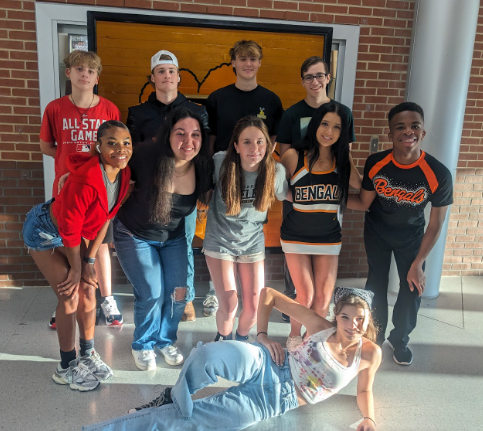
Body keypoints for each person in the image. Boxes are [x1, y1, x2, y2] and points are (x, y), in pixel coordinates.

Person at [82, 286, 381, 431]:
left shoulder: (370, 353)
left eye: (359, 320)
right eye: (345, 317)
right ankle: (174, 394)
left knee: (189, 423)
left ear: (367, 321)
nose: (351, 325)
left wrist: (368, 418)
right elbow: (268, 295)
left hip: (274, 402)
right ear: (337, 317)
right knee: (208, 354)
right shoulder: (321, 327)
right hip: (269, 363)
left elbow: (365, 390)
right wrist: (262, 335)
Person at [23, 120, 132, 391]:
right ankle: (66, 366)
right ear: (99, 145)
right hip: (45, 231)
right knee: (69, 294)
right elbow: (69, 229)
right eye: (112, 143)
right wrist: (76, 267)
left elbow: (106, 218)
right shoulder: (85, 178)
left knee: (88, 289)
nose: (121, 149)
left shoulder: (123, 173)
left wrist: (90, 262)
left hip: (71, 233)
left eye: (126, 142)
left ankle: (88, 353)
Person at [348, 102, 453, 366]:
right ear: (390, 133)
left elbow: (436, 224)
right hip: (377, 232)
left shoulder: (438, 173)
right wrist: (323, 197)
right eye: (400, 127)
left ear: (423, 132)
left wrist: (418, 263)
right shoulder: (376, 163)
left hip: (412, 237)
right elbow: (363, 202)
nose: (408, 132)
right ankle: (376, 335)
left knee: (411, 289)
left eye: (414, 126)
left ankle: (400, 339)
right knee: (376, 284)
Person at [113, 108, 212, 370]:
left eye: (195, 134)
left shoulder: (202, 165)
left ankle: (165, 340)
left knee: (179, 293)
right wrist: (74, 173)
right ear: (168, 135)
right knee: (151, 292)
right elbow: (109, 163)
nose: (188, 141)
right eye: (180, 134)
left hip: (174, 237)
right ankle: (143, 344)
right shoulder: (145, 156)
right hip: (134, 233)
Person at [40, 50, 124, 328]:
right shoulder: (54, 108)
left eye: (90, 70)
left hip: (101, 187)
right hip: (66, 190)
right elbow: (46, 145)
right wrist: (70, 165)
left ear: (97, 77)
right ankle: (64, 300)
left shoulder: (109, 109)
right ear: (69, 73)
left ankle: (108, 298)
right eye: (79, 68)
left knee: (100, 243)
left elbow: (116, 148)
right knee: (67, 243)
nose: (84, 73)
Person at [127, 49, 209, 322]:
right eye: (160, 71)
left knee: (183, 243)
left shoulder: (197, 111)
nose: (166, 76)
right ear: (152, 78)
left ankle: (184, 301)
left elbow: (204, 149)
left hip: (183, 189)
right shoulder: (138, 113)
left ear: (178, 77)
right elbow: (131, 154)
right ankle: (154, 297)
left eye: (171, 71)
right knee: (149, 245)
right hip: (149, 192)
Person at [205, 39, 284, 317]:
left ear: (260, 63)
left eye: (253, 59)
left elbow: (273, 139)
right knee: (222, 229)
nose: (248, 64)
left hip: (255, 175)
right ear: (234, 63)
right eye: (242, 58)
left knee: (247, 230)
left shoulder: (271, 100)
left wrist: (262, 166)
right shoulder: (217, 97)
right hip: (226, 176)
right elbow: (212, 140)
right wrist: (215, 178)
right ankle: (217, 295)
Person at [276, 56, 357, 322]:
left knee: (322, 294)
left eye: (320, 75)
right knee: (303, 290)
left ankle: (311, 328)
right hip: (300, 196)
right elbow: (285, 165)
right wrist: (294, 191)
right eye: (309, 76)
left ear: (328, 77)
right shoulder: (291, 114)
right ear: (302, 81)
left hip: (328, 201)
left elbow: (346, 157)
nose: (315, 81)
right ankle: (297, 314)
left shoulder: (344, 112)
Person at [281, 101, 362, 350]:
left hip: (328, 236)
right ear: (315, 125)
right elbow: (274, 185)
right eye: (325, 124)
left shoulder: (342, 161)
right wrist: (293, 196)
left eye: (337, 127)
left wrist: (345, 154)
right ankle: (295, 335)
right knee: (304, 294)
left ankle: (311, 340)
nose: (329, 131)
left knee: (324, 299)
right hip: (296, 235)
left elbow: (358, 186)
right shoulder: (294, 156)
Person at [202, 116, 287, 342]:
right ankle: (222, 339)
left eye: (260, 142)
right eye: (247, 142)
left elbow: (288, 195)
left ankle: (240, 341)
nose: (254, 148)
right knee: (229, 302)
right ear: (236, 146)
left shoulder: (275, 172)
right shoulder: (221, 162)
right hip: (219, 240)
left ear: (268, 145)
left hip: (252, 242)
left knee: (254, 304)